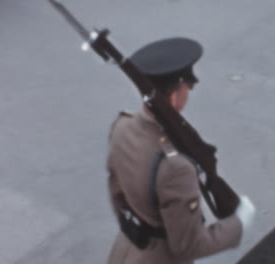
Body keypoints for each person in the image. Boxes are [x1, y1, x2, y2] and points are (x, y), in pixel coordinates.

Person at [106, 37, 256, 264]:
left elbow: (117, 196)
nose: (189, 91)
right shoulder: (176, 168)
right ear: (175, 96)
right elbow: (188, 245)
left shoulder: (122, 126)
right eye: (188, 86)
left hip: (125, 251)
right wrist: (239, 224)